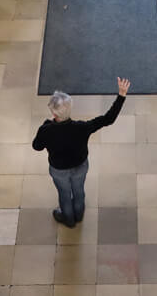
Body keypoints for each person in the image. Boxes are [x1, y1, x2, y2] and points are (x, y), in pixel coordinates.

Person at [32, 77, 131, 228]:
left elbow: (36, 146)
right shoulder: (82, 128)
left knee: (64, 195)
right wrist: (121, 95)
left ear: (54, 113)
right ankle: (79, 214)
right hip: (80, 166)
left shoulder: (46, 130)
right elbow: (108, 119)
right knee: (79, 191)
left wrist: (46, 124)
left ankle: (69, 220)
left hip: (59, 170)